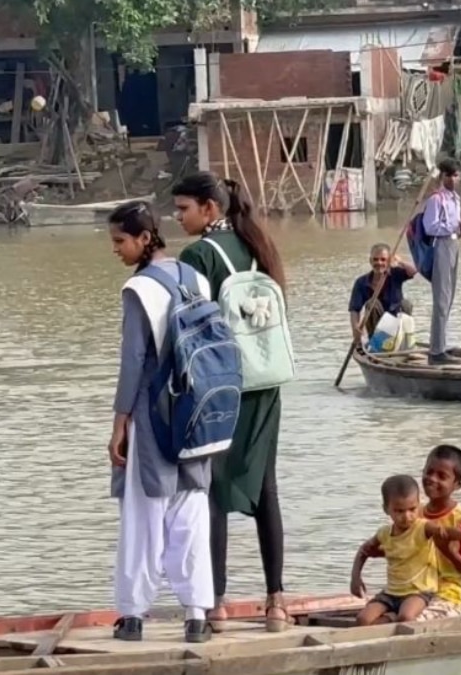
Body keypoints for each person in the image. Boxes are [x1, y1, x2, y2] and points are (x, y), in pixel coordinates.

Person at [171, 171, 291, 633]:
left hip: (222, 385)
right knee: (266, 485)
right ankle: (276, 601)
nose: (178, 217)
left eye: (184, 209)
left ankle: (216, 602)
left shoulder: (199, 254)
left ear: (210, 209)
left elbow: (188, 328)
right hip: (266, 380)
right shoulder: (259, 247)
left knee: (214, 487)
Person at [106, 200, 215, 643]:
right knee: (190, 513)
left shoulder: (140, 291)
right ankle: (196, 616)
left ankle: (133, 616)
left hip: (153, 414)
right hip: (199, 412)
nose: (116, 250)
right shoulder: (198, 280)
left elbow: (133, 362)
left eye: (120, 241)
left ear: (144, 238)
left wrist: (119, 424)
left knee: (143, 514)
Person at [350, 475, 461, 625]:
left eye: (412, 509)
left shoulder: (422, 527)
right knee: (362, 619)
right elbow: (364, 551)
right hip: (391, 593)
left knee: (406, 618)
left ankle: (393, 618)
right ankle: (390, 617)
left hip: (418, 592)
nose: (407, 516)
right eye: (399, 511)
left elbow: (443, 531)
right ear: (386, 509)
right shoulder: (384, 533)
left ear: (418, 505)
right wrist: (355, 578)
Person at [421, 158, 461, 365]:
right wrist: (454, 226)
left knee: (449, 298)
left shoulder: (455, 199)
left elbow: (454, 227)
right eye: (450, 175)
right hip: (440, 246)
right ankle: (436, 352)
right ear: (442, 176)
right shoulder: (436, 199)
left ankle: (441, 344)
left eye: (457, 175)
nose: (454, 179)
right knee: (441, 300)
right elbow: (430, 227)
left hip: (453, 245)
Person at [419, 445, 461, 620]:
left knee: (415, 622)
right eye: (428, 472)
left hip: (449, 594)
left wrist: (449, 552)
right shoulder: (414, 514)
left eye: (442, 476)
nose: (431, 479)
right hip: (415, 589)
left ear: (458, 484)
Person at [349, 243, 417, 349]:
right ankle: (378, 346)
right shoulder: (361, 282)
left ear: (388, 261)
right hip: (377, 329)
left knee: (406, 304)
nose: (379, 263)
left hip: (396, 325)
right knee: (372, 304)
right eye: (375, 259)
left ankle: (405, 344)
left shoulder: (395, 274)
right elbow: (354, 309)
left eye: (383, 259)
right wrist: (355, 328)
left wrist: (399, 261)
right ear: (370, 261)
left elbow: (413, 271)